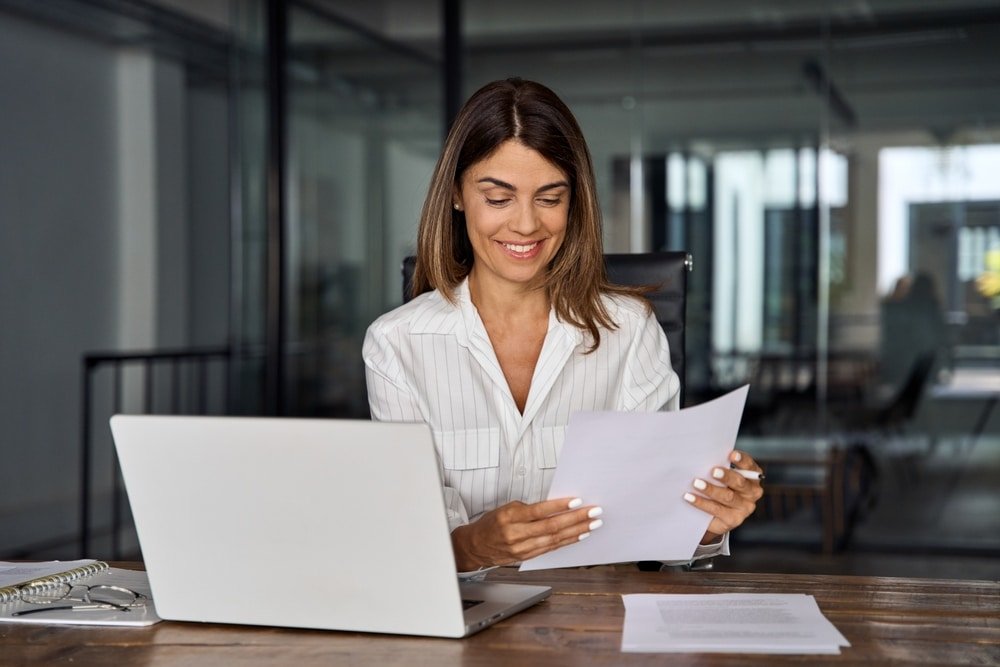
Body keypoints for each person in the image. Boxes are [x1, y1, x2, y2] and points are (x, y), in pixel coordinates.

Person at [363, 78, 762, 573]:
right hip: (466, 624)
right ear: (458, 195)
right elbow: (407, 538)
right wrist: (473, 545)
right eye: (499, 198)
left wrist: (703, 523)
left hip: (599, 626)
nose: (526, 225)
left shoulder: (629, 330)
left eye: (549, 198)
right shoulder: (395, 344)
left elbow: (655, 527)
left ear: (574, 204)